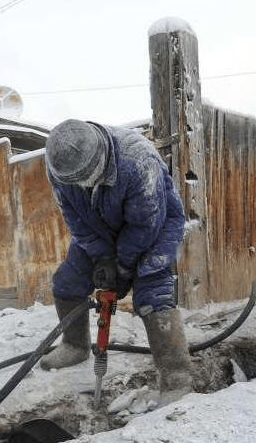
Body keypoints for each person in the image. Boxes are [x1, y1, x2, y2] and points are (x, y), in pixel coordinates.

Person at [40, 118, 194, 405]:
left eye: (84, 179)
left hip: (154, 225)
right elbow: (75, 219)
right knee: (67, 281)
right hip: (99, 225)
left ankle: (177, 379)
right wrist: (102, 256)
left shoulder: (137, 161)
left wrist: (122, 268)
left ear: (98, 162)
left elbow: (144, 226)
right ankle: (75, 345)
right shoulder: (58, 166)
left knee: (152, 291)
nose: (78, 185)